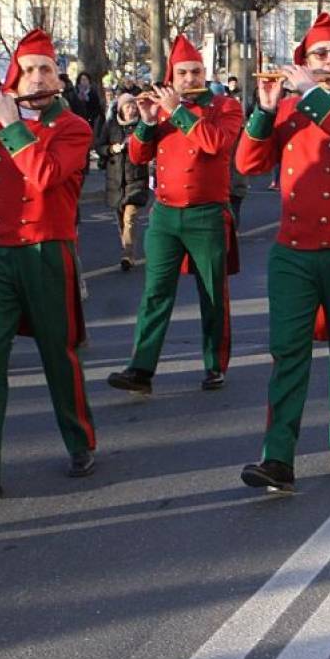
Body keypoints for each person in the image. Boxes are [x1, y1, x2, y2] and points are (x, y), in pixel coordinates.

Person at [236, 12, 330, 492]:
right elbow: (247, 163)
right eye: (318, 55)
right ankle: (278, 456)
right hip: (294, 251)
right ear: (303, 61)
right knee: (287, 352)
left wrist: (311, 94)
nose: (327, 61)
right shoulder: (287, 110)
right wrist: (263, 111)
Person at [106, 35, 243, 396]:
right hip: (165, 214)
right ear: (172, 75)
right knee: (155, 292)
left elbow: (216, 144)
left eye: (196, 71)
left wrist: (178, 111)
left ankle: (215, 364)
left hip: (208, 214)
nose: (190, 78)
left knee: (212, 293)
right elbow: (136, 156)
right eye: (183, 72)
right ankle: (141, 368)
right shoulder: (161, 108)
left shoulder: (225, 106)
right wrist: (148, 121)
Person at [0, 28, 97, 491]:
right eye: (28, 70)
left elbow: (44, 175)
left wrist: (14, 128)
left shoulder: (73, 126)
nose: (37, 79)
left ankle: (79, 442)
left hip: (47, 250)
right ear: (14, 79)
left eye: (45, 69)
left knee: (58, 354)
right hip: (0, 253)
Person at [94, 93, 151, 270]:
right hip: (116, 178)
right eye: (127, 106)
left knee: (130, 217)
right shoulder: (111, 126)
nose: (131, 109)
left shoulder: (142, 125)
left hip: (136, 178)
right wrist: (112, 148)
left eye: (133, 106)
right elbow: (99, 146)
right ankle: (127, 246)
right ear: (120, 108)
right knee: (120, 219)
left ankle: (128, 254)